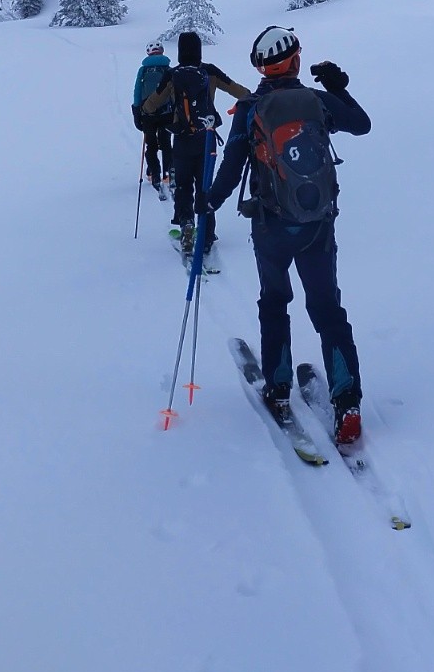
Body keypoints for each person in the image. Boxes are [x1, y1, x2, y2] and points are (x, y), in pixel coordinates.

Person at [206, 26, 370, 445]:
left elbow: (230, 167)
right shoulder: (316, 101)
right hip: (318, 224)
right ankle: (346, 399)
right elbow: (361, 124)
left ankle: (278, 386)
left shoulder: (251, 107)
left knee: (275, 302)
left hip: (271, 225)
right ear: (296, 61)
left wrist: (209, 203)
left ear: (260, 68)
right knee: (328, 308)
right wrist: (337, 86)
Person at [143, 30, 250, 257]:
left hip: (182, 138)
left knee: (183, 185)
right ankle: (207, 235)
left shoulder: (173, 74)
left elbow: (152, 103)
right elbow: (240, 91)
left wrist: (145, 110)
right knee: (205, 187)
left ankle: (187, 225)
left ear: (180, 51)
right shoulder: (209, 71)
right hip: (207, 138)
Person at [132, 42, 174, 192]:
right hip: (166, 112)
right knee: (166, 143)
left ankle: (154, 174)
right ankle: (168, 173)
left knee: (151, 144)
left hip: (147, 113)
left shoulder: (143, 71)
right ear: (162, 52)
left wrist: (136, 110)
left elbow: (137, 91)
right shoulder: (169, 70)